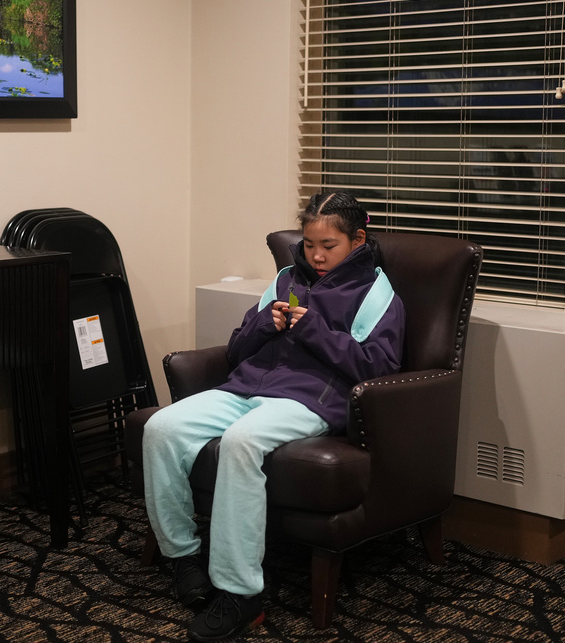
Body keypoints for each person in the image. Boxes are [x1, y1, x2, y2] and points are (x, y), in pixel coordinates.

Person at [142, 191, 406, 641]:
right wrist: (266, 323)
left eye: (329, 246)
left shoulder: (377, 294)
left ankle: (240, 594)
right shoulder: (286, 279)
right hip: (245, 387)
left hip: (309, 399)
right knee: (160, 427)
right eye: (310, 245)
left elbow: (376, 369)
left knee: (241, 442)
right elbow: (236, 351)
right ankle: (183, 557)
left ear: (357, 240)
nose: (317, 256)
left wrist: (315, 331)